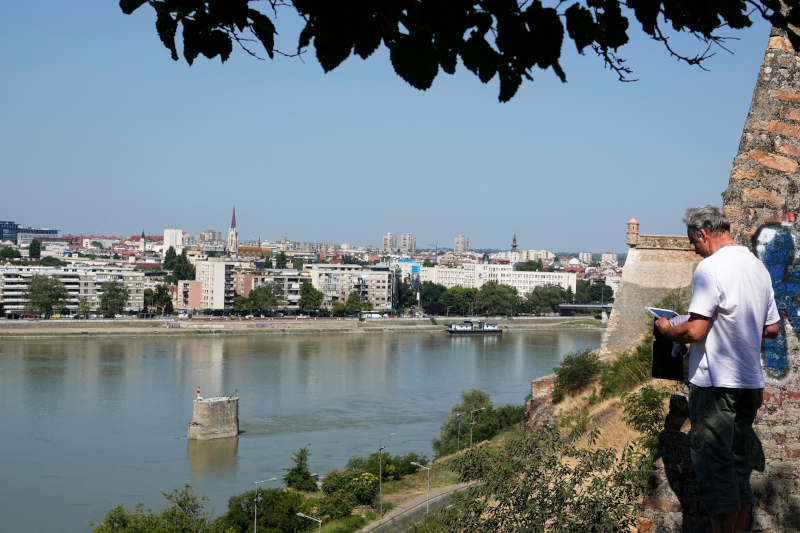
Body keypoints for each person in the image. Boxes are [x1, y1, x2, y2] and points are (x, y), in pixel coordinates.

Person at [655, 205, 780, 533]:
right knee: (738, 469)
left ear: (703, 234)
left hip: (715, 384)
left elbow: (695, 331)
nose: (694, 250)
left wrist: (668, 330)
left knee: (714, 471)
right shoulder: (757, 268)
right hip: (750, 383)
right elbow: (772, 329)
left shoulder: (711, 268)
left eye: (692, 243)